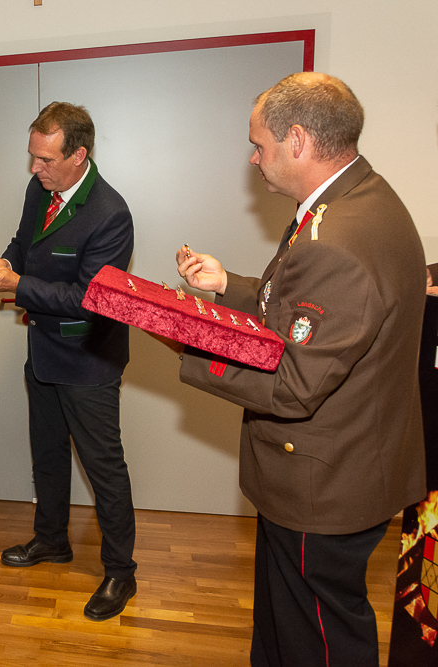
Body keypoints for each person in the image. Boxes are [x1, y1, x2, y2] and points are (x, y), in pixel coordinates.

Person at [175, 72, 426, 666]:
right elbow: (310, 312)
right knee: (284, 627)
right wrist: (228, 286)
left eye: (258, 144)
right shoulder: (361, 197)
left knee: (319, 639)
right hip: (349, 461)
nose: (253, 159)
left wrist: (188, 341)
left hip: (322, 480)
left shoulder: (334, 240)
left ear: (298, 140)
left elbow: (292, 385)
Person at [0, 102, 137, 621]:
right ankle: (51, 539)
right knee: (47, 454)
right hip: (44, 352)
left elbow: (90, 300)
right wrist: (5, 263)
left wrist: (17, 284)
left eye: (46, 159)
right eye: (33, 156)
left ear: (79, 156)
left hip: (88, 360)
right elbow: (24, 243)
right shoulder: (40, 190)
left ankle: (120, 571)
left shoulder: (110, 213)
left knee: (103, 468)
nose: (35, 168)